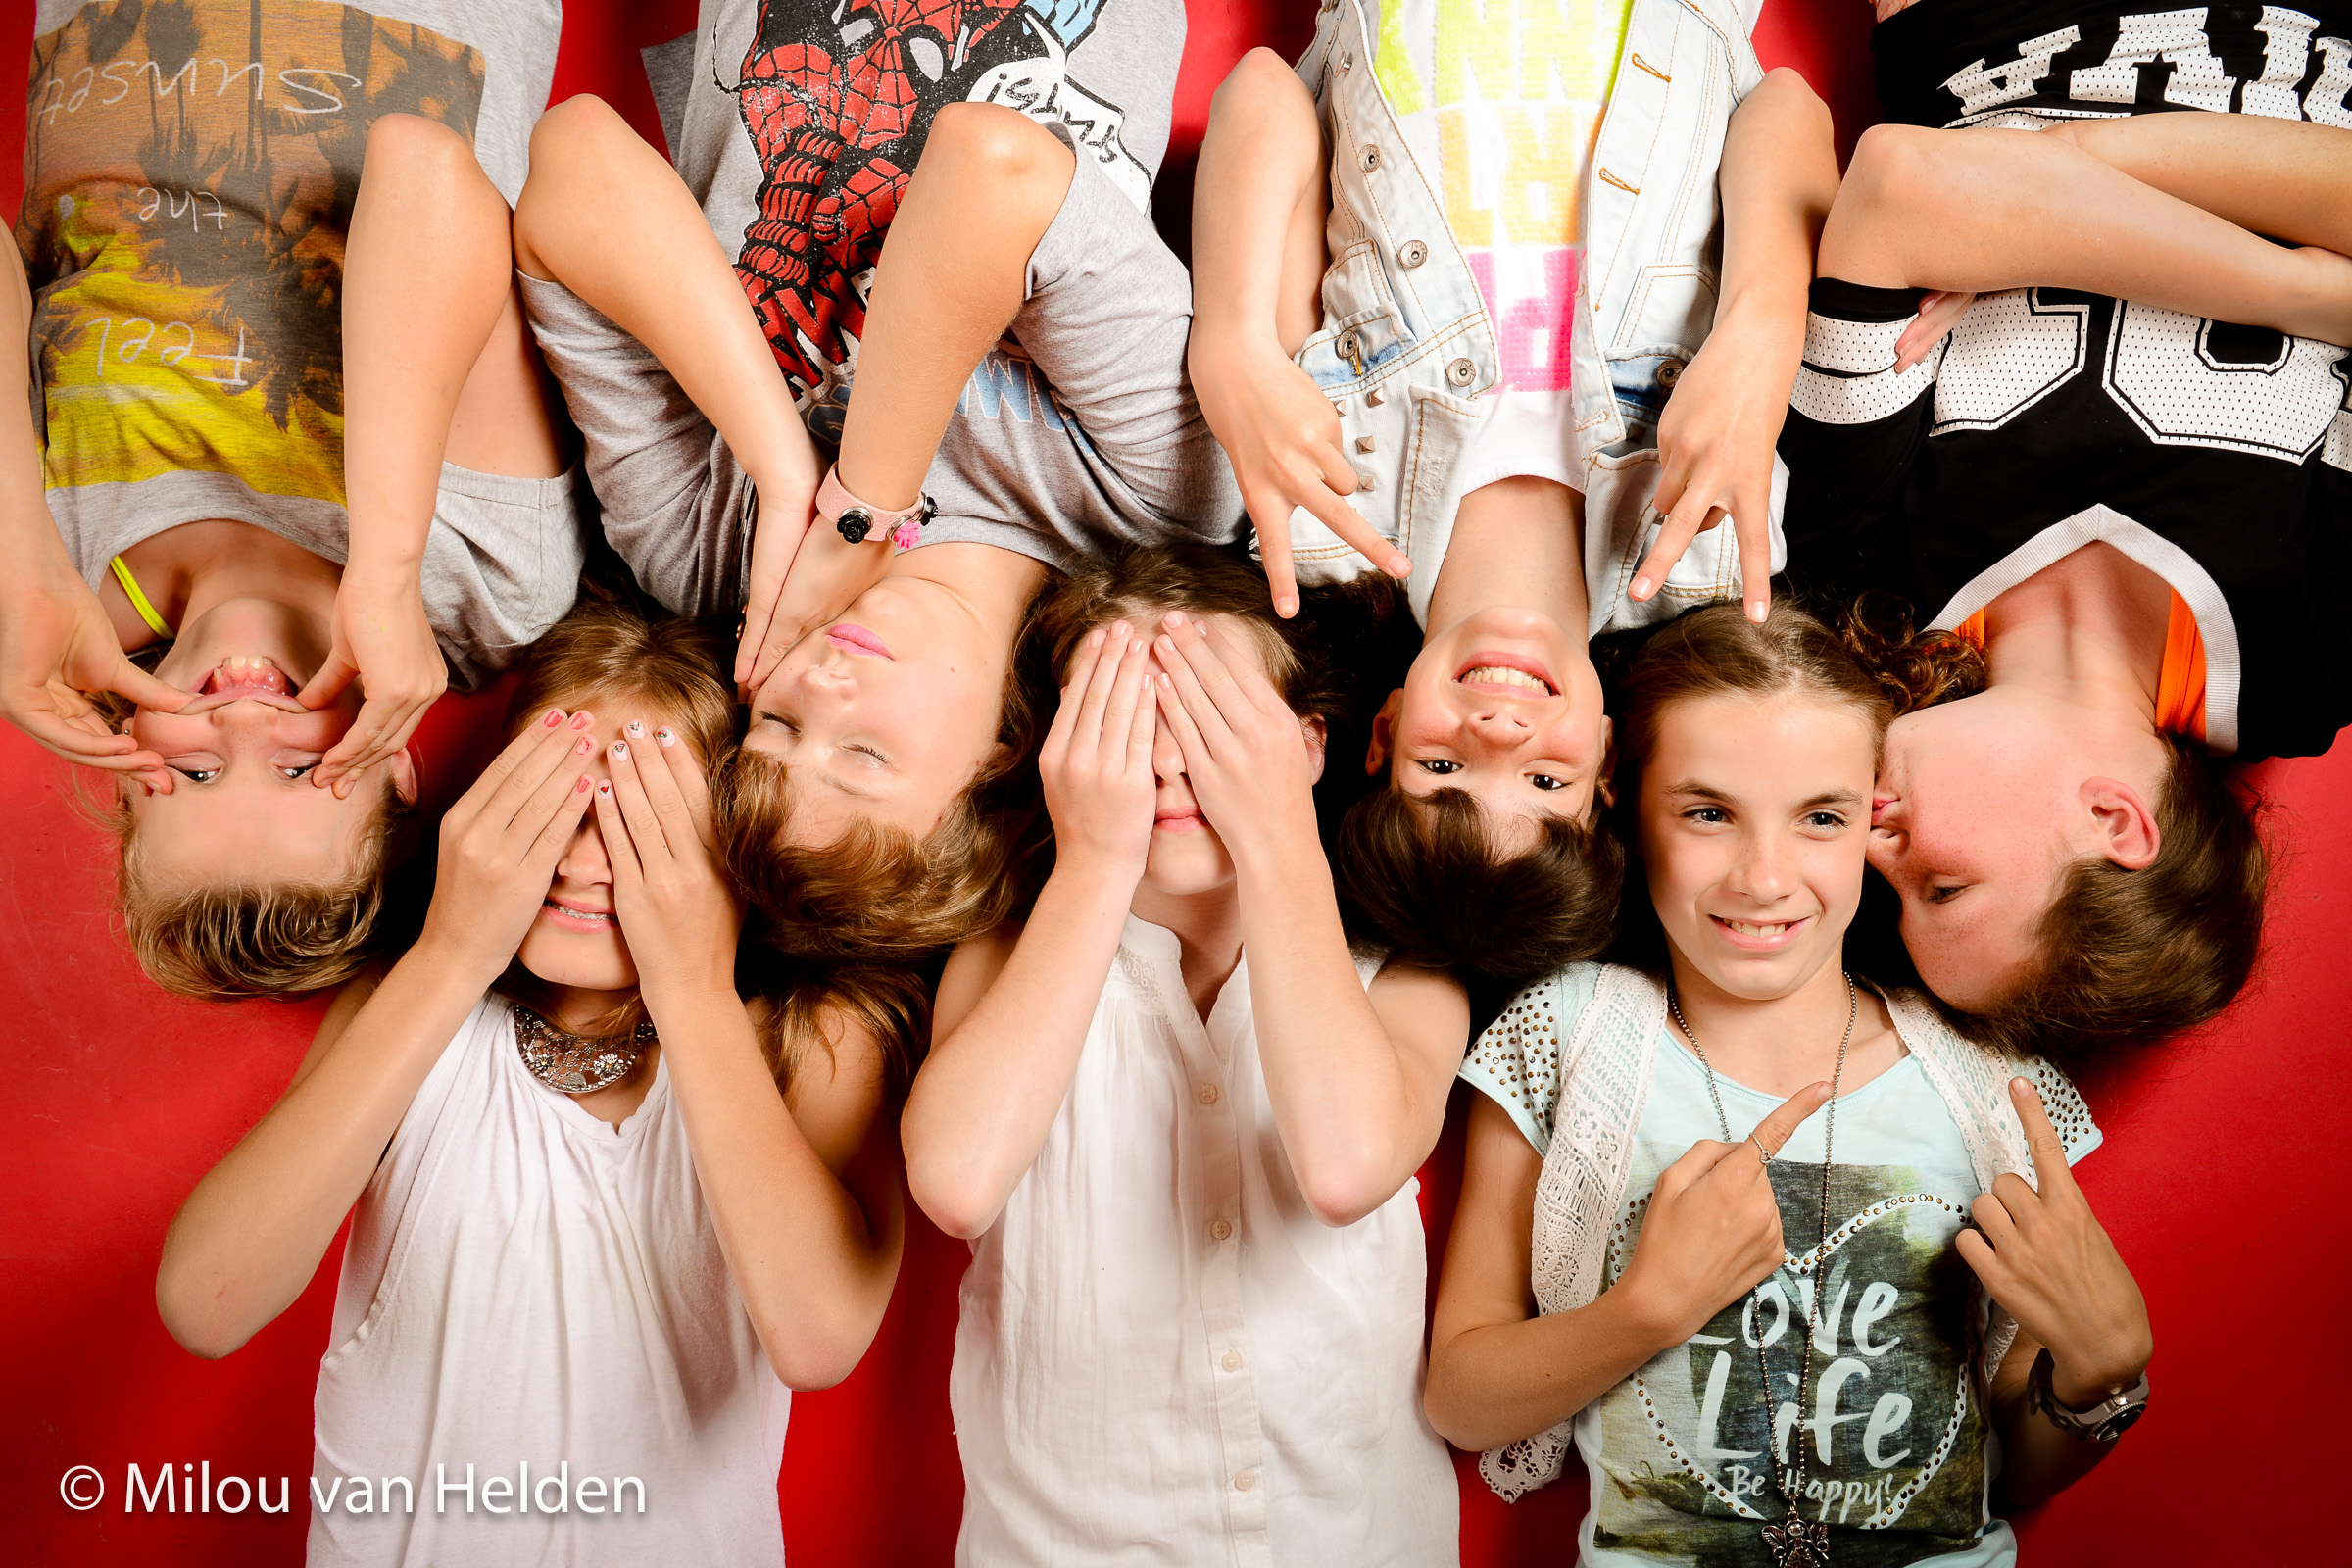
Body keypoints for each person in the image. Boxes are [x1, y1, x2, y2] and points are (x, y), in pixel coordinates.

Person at [154, 600, 914, 1566]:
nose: (585, 859)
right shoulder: (417, 1005)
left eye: (644, 823)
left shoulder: (811, 1038)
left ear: (737, 838)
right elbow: (207, 1305)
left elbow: (817, 1341)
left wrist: (691, 978)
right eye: (551, 803)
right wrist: (454, 947)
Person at [508, 0, 1241, 963]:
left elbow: (573, 161)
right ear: (1000, 759)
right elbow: (990, 161)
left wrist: (783, 474)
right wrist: (859, 509)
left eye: (777, 722)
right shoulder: (1150, 508)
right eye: (863, 752)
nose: (821, 684)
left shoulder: (704, 553)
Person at [1427, 602, 2154, 1565]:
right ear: (1625, 800)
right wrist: (1646, 1309)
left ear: (1872, 824)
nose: (1764, 877)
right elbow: (1461, 1399)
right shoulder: (1566, 1033)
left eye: (1820, 818)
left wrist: (2102, 1377)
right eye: (1708, 813)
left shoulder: (1988, 1086)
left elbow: (2010, 1471)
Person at [1186, 0, 1828, 988]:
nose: (1496, 734)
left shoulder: (1318, 513)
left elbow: (1263, 94)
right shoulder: (1711, 538)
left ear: (1385, 732)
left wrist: (1227, 339)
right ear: (1607, 763)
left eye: (1441, 772)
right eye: (1544, 779)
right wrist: (1765, 330)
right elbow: (1784, 106)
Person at [1772, 0, 2349, 1054]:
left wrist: (2309, 291)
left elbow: (1896, 183)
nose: (1871, 849)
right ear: (2111, 820)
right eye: (1939, 885)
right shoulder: (2311, 653)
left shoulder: (1861, 597)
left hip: (1984, 33)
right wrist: (2012, 199)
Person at [0, 0, 584, 998]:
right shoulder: (483, 585)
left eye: (193, 775)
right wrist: (387, 570)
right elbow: (421, 164)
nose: (241, 726)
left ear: (128, 773)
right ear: (394, 770)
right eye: (300, 770)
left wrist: (23, 571)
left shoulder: (56, 578)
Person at [900, 542, 1465, 1566]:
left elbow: (1346, 1170)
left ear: (1308, 743)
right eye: (1119, 720)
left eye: (1212, 718)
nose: (1167, 761)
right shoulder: (1004, 958)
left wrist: (1277, 835)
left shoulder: (1407, 973)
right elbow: (958, 1185)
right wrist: (1096, 856)